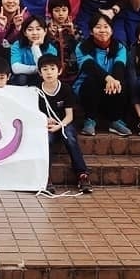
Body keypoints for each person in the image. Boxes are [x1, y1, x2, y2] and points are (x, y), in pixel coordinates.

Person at [36, 53, 92, 194]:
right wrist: (44, 119)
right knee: (46, 140)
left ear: (59, 71)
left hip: (64, 124)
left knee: (70, 138)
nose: (49, 72)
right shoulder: (36, 90)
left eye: (52, 68)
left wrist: (59, 126)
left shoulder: (66, 89)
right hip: (46, 126)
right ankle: (45, 177)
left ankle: (82, 174)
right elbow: (33, 113)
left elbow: (69, 116)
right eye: (45, 69)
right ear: (40, 72)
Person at [74, 12, 132, 137]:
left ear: (112, 30)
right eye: (98, 27)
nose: (102, 30)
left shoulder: (120, 47)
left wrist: (114, 80)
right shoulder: (82, 47)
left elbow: (119, 66)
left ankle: (115, 120)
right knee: (91, 81)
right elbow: (90, 66)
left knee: (121, 82)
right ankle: (90, 120)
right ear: (91, 31)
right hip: (88, 88)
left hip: (110, 87)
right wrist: (108, 78)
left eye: (106, 27)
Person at [8, 16, 57, 87]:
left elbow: (46, 71)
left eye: (38, 29)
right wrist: (37, 69)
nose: (34, 33)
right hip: (23, 79)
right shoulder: (17, 45)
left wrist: (35, 47)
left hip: (42, 79)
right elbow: (15, 68)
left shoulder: (51, 49)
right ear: (25, 33)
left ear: (45, 31)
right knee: (21, 78)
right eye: (30, 30)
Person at [46, 0, 82, 84]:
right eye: (57, 10)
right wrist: (50, 35)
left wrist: (73, 34)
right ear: (51, 12)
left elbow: (82, 48)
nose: (61, 14)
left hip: (72, 71)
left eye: (64, 10)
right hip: (52, 71)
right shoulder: (45, 29)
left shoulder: (75, 28)